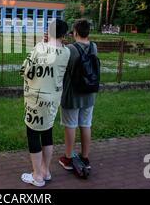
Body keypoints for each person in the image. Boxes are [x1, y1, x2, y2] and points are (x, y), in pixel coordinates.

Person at [19, 19, 70, 187]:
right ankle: (46, 171)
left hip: (35, 99)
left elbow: (25, 70)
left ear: (49, 31)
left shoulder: (38, 49)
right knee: (47, 134)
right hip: (53, 99)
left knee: (33, 134)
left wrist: (41, 44)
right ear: (64, 34)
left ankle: (37, 176)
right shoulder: (66, 52)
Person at [59, 19, 98, 172]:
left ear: (75, 32)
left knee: (70, 125)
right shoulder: (94, 47)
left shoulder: (70, 49)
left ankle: (68, 158)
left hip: (72, 94)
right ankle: (85, 157)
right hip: (89, 94)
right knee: (86, 124)